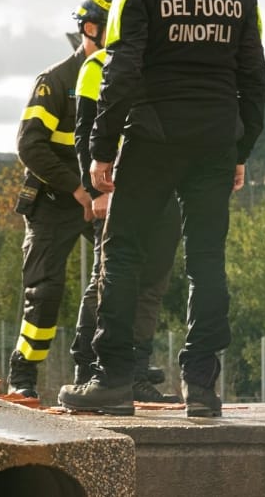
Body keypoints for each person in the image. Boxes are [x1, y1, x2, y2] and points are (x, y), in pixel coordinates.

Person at [58, 0, 265, 417]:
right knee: (206, 261)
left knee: (123, 254)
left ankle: (112, 380)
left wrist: (102, 152)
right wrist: (240, 152)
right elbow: (254, 81)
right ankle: (202, 388)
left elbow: (119, 75)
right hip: (216, 142)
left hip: (151, 139)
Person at [5, 0, 109, 398]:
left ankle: (94, 367)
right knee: (44, 293)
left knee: (118, 279)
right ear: (89, 29)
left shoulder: (121, 79)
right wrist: (78, 188)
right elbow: (29, 145)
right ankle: (24, 376)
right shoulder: (57, 81)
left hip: (104, 200)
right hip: (53, 201)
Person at [70, 41, 181, 404]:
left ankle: (135, 373)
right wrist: (96, 191)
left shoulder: (164, 58)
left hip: (163, 183)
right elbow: (86, 131)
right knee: (107, 278)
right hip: (116, 186)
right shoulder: (97, 64)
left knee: (153, 281)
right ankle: (88, 367)